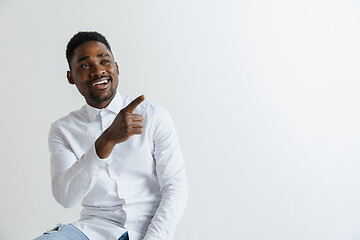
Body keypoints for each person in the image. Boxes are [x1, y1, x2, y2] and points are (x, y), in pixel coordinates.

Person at [35, 31, 188, 240]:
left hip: (150, 228)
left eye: (104, 61)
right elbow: (66, 196)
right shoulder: (63, 130)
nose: (98, 71)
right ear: (71, 77)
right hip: (93, 230)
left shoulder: (153, 115)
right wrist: (106, 141)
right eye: (85, 65)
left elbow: (175, 187)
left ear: (116, 67)